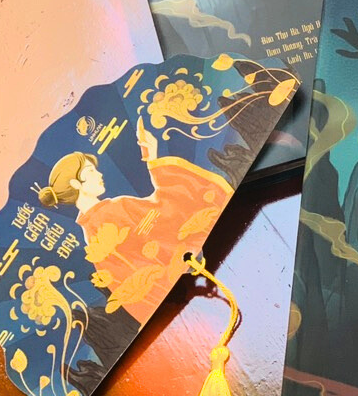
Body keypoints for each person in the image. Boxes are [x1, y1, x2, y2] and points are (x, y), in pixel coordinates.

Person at [37, 118, 233, 325]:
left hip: (175, 307)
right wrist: (154, 160)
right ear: (76, 184)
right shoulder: (113, 210)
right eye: (90, 171)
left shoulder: (90, 233)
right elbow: (168, 213)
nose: (99, 174)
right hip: (199, 280)